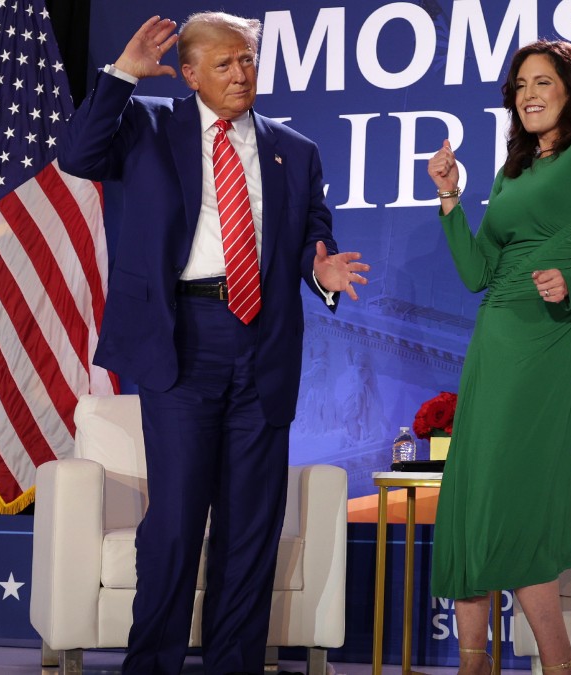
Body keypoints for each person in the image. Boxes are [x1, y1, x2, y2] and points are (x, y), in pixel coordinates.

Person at [58, 13, 368, 675]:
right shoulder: (146, 126)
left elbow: (316, 242)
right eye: (224, 64)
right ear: (192, 73)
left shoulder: (296, 150)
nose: (240, 74)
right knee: (173, 521)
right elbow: (78, 156)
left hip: (265, 343)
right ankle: (153, 665)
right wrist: (120, 76)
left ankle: (234, 664)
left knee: (250, 527)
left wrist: (323, 273)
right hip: (182, 340)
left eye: (248, 61)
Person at [426, 39, 571, 675]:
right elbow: (476, 271)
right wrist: (449, 200)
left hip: (554, 329)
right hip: (496, 332)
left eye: (542, 82)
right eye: (520, 86)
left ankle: (558, 660)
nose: (529, 95)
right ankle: (475, 662)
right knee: (473, 491)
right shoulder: (512, 170)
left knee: (511, 491)